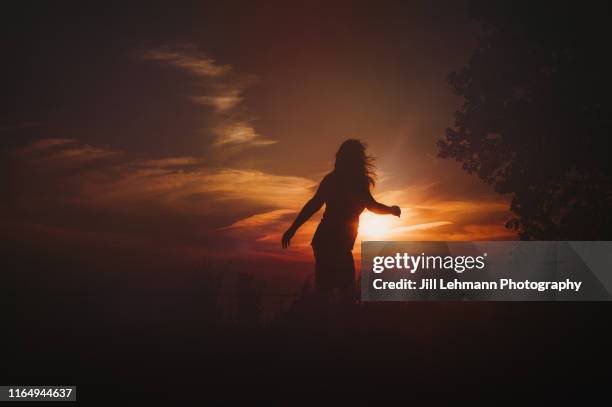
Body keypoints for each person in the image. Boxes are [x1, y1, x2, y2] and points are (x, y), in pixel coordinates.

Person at [281, 139, 400, 300]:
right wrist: (292, 229)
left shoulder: (357, 183)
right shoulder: (334, 180)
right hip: (328, 242)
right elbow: (314, 205)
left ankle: (330, 320)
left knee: (339, 289)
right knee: (334, 289)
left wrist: (390, 210)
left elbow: (371, 205)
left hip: (339, 244)